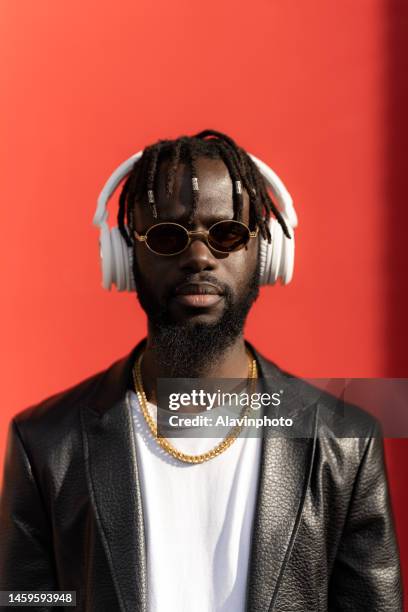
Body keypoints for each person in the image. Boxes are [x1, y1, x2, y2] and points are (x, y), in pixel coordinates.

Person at [0, 130, 403, 612]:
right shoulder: (46, 442)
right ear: (126, 256)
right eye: (168, 236)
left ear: (267, 254)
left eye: (227, 233)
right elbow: (26, 600)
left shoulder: (344, 445)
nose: (199, 256)